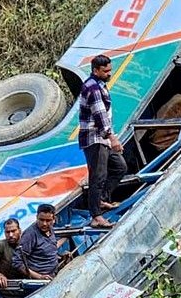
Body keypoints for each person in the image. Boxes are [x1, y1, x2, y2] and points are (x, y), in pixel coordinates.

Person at [78, 54, 127, 229]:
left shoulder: (100, 85)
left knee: (119, 167)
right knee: (97, 176)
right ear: (95, 70)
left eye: (110, 70)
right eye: (105, 71)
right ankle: (96, 216)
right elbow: (100, 116)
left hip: (102, 139)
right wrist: (112, 138)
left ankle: (101, 200)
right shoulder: (93, 88)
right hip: (95, 138)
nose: (109, 73)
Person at [12, 204, 68, 280]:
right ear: (36, 217)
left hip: (54, 275)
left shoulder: (50, 229)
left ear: (54, 219)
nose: (44, 224)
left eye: (48, 220)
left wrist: (60, 257)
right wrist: (39, 277)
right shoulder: (30, 235)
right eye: (41, 220)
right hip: (40, 281)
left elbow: (46, 250)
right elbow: (17, 262)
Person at [0, 218, 21, 288]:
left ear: (19, 231)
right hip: (8, 290)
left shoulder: (28, 243)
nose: (11, 235)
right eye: (7, 232)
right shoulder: (0, 245)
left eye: (13, 231)